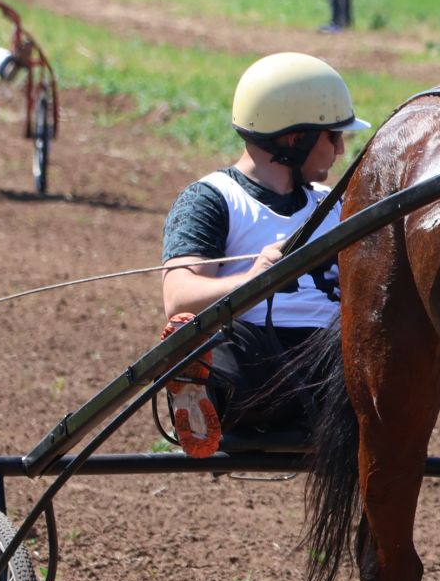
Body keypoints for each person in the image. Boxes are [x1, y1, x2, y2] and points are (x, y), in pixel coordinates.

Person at [159, 53, 371, 455]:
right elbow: (178, 297)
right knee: (226, 344)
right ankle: (199, 390)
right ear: (295, 139)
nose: (341, 150)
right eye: (332, 136)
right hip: (253, 363)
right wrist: (254, 279)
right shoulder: (213, 198)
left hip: (331, 365)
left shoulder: (337, 204)